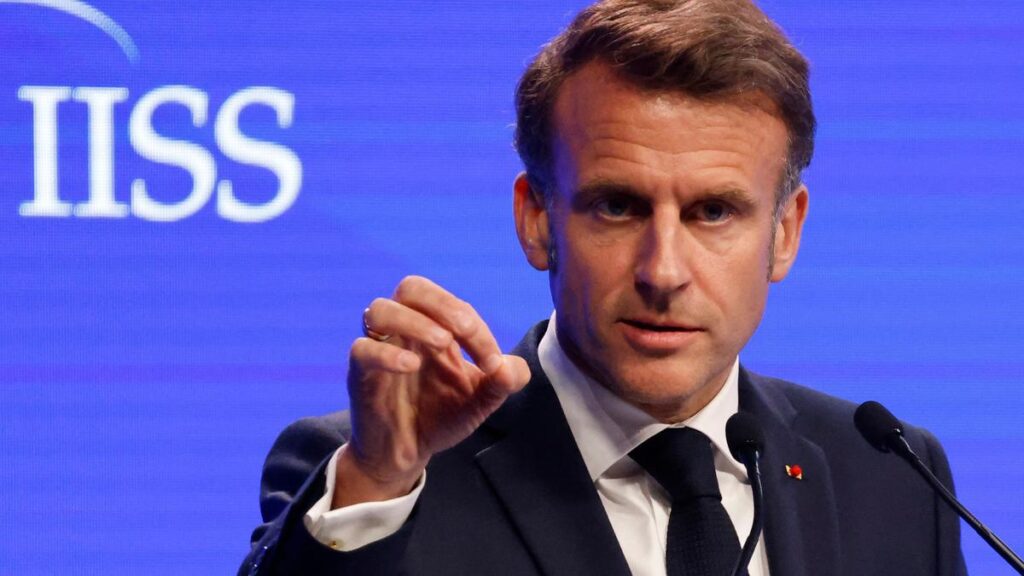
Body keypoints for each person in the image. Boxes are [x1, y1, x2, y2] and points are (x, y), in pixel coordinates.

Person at [239, 1, 966, 575]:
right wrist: (376, 481)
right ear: (536, 218)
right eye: (617, 206)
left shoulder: (892, 475)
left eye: (714, 212)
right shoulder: (381, 478)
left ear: (785, 232)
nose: (663, 271)